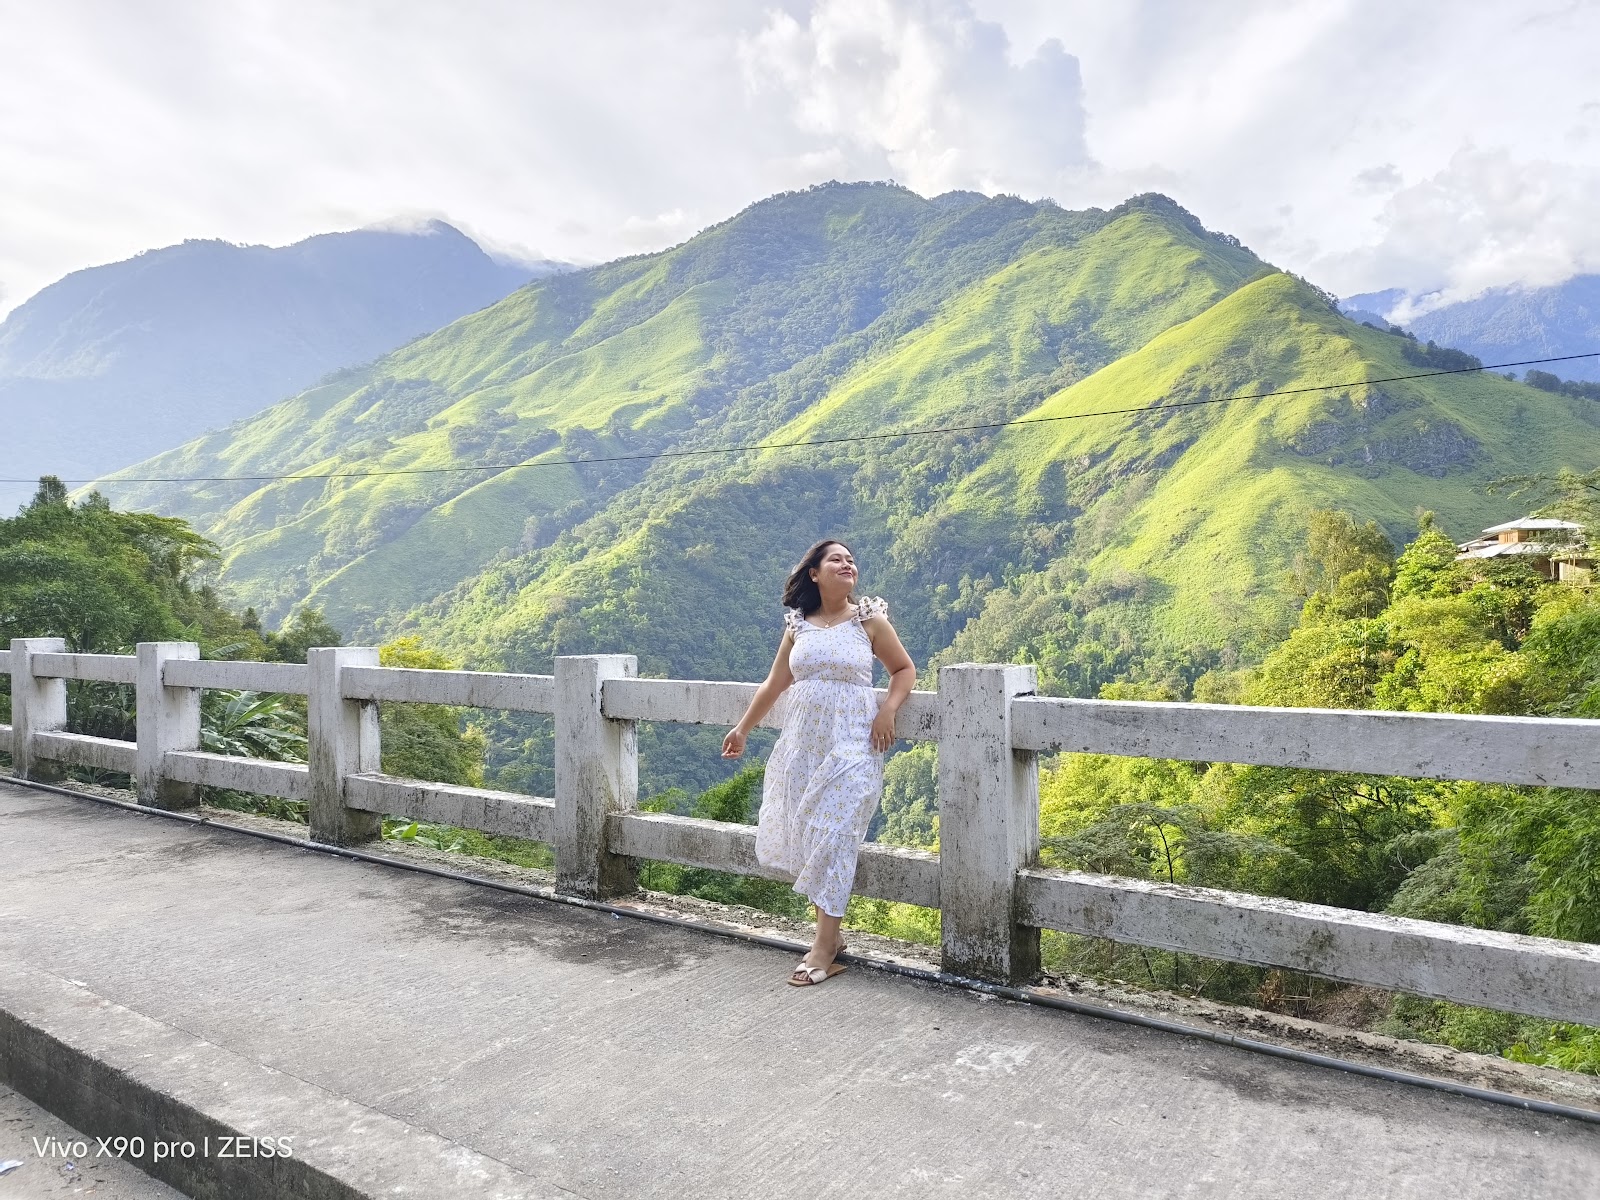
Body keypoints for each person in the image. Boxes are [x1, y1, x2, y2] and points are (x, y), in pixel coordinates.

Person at [721, 539, 916, 986]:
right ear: (815, 572)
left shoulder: (869, 620)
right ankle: (832, 937)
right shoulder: (798, 626)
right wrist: (743, 728)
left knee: (834, 834)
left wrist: (887, 709)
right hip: (802, 748)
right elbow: (775, 683)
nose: (848, 564)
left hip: (852, 744)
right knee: (811, 836)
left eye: (851, 559)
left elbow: (903, 669)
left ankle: (823, 946)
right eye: (837, 559)